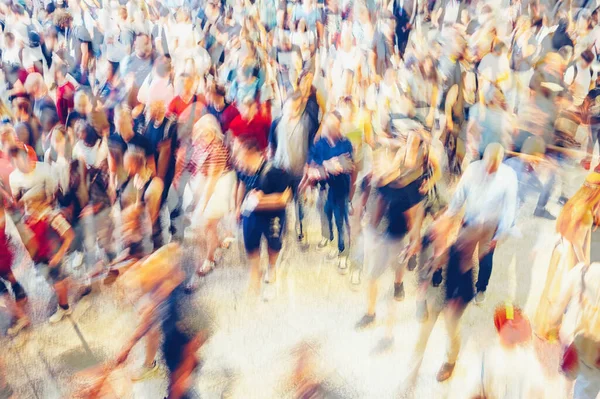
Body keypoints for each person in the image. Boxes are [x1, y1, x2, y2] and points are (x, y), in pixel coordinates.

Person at [440, 143, 518, 304]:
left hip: (489, 226)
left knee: (486, 258)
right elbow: (460, 195)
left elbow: (510, 207)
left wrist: (500, 233)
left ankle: (481, 288)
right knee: (461, 253)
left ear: (501, 161)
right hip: (470, 221)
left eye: (494, 167)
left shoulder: (509, 176)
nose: (489, 169)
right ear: (484, 158)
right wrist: (449, 215)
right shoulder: (473, 169)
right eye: (488, 165)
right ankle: (456, 286)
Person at [535, 172, 600, 339]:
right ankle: (547, 329)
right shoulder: (586, 213)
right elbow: (578, 242)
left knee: (549, 288)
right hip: (568, 255)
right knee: (558, 292)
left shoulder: (573, 203)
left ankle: (541, 325)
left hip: (559, 247)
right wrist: (585, 265)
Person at [235, 137, 292, 297]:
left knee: (273, 245)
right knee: (251, 245)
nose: (237, 162)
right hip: (251, 215)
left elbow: (284, 199)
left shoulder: (274, 171)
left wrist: (261, 201)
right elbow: (241, 184)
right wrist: (238, 206)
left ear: (250, 155)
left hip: (273, 217)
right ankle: (255, 275)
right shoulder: (244, 170)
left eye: (239, 156)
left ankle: (272, 267)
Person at [185, 115, 235, 285]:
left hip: (220, 185)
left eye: (205, 133)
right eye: (199, 132)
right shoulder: (200, 143)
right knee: (208, 224)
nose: (201, 136)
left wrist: (201, 206)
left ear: (214, 133)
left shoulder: (217, 150)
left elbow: (212, 182)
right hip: (206, 183)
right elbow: (192, 165)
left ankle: (210, 259)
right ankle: (220, 240)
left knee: (207, 224)